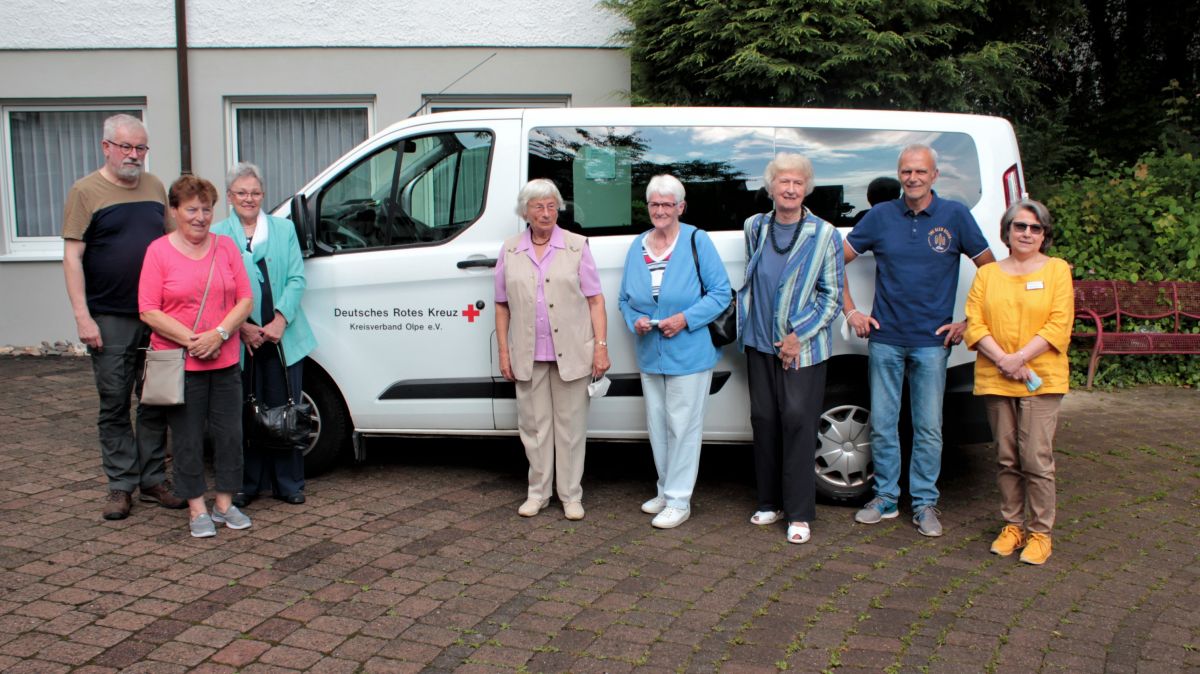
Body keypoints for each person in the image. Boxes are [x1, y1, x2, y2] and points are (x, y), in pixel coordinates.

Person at [844, 144, 995, 537]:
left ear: (934, 175)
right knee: (883, 424)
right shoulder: (880, 216)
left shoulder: (955, 216)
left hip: (932, 343)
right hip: (886, 339)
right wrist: (851, 311)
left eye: (920, 172)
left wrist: (969, 321)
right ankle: (886, 497)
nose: (913, 178)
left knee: (928, 427)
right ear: (899, 175)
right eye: (906, 172)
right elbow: (831, 260)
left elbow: (992, 272)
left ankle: (926, 503)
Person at [61, 113, 185, 520]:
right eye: (127, 147)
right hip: (110, 316)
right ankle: (120, 485)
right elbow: (72, 256)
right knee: (114, 401)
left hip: (156, 316)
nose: (134, 156)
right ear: (107, 147)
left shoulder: (153, 187)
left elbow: (170, 244)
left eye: (141, 148)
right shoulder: (85, 191)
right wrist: (83, 316)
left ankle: (151, 480)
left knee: (153, 401)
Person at [138, 176, 254, 538]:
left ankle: (224, 503)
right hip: (180, 363)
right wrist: (194, 341)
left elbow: (245, 299)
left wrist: (218, 334)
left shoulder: (226, 247)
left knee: (230, 436)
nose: (200, 217)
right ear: (175, 211)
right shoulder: (158, 251)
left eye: (206, 209)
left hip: (225, 359)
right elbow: (148, 310)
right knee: (187, 439)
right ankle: (196, 508)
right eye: (191, 209)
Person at [739, 154, 845, 544]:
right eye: (783, 182)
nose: (790, 189)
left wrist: (798, 334)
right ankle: (770, 502)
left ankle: (799, 512)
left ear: (807, 188)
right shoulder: (754, 227)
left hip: (802, 348)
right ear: (770, 187)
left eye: (797, 183)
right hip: (757, 342)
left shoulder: (825, 234)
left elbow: (832, 297)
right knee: (764, 420)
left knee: (798, 421)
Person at [618, 175, 731, 529]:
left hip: (690, 352)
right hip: (651, 352)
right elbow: (625, 299)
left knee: (683, 425)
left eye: (668, 204)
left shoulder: (697, 240)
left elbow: (721, 293)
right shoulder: (638, 245)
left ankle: (680, 500)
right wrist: (635, 319)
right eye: (655, 204)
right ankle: (666, 490)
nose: (661, 210)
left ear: (681, 207)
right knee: (658, 425)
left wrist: (684, 319)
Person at [495, 179, 610, 521]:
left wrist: (601, 347)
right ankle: (538, 493)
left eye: (551, 206)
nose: (546, 213)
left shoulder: (576, 246)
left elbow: (595, 300)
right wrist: (504, 352)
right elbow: (502, 306)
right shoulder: (511, 249)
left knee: (571, 428)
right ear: (525, 212)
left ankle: (571, 495)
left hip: (573, 352)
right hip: (528, 354)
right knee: (534, 427)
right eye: (538, 207)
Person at [964, 199, 1071, 565]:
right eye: (1020, 226)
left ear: (1045, 235)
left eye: (1035, 228)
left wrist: (1020, 358)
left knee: (1036, 458)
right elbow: (974, 323)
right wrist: (1005, 361)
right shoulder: (988, 274)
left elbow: (1059, 324)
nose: (1027, 233)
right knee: (1007, 457)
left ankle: (1041, 533)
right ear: (1007, 232)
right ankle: (1013, 526)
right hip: (997, 376)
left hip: (1042, 378)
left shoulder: (1057, 271)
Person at [211, 162, 317, 507]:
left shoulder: (283, 230)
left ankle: (289, 483)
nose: (249, 198)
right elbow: (215, 289)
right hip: (240, 341)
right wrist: (241, 327)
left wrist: (279, 321)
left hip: (283, 336)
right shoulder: (218, 235)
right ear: (229, 196)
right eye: (241, 193)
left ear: (263, 195)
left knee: (286, 408)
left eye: (255, 192)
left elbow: (297, 279)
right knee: (246, 412)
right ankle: (248, 483)